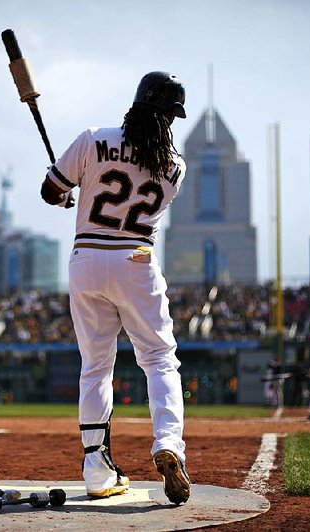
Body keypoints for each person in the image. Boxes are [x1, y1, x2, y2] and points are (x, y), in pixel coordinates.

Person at [39, 71, 190, 504]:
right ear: (168, 115)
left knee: (96, 365)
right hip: (136, 259)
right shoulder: (175, 166)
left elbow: (50, 191)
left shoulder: (92, 137)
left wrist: (69, 195)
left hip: (86, 259)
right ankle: (167, 444)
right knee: (159, 359)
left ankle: (95, 469)